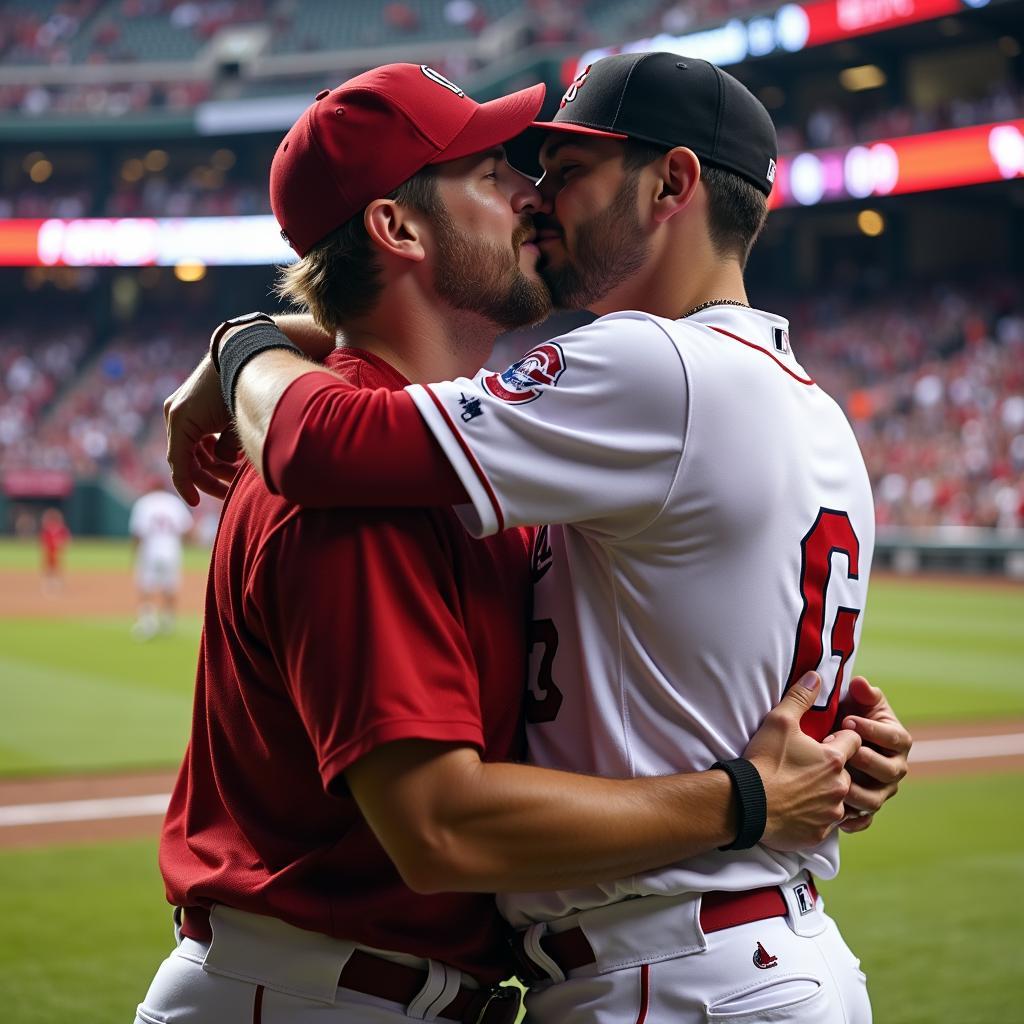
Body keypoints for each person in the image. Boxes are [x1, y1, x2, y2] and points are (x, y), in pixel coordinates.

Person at [167, 54, 914, 1023]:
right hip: (340, 990)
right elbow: (441, 824)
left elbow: (322, 438)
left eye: (564, 174)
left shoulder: (639, 378)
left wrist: (241, 348)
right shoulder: (795, 403)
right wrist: (782, 770)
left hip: (675, 967)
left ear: (672, 185)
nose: (533, 194)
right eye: (503, 174)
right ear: (395, 226)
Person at [128, 478, 194, 639]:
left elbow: (138, 532)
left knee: (147, 586)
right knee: (170, 587)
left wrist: (134, 552)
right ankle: (168, 622)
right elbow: (187, 529)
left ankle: (147, 622)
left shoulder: (144, 503)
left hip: (150, 550)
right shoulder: (174, 502)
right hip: (171, 550)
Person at [39, 507, 70, 593]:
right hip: (49, 552)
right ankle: (47, 585)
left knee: (58, 569)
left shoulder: (61, 529)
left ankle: (58, 585)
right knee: (48, 569)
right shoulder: (48, 529)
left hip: (57, 552)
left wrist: (61, 545)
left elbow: (66, 539)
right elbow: (44, 541)